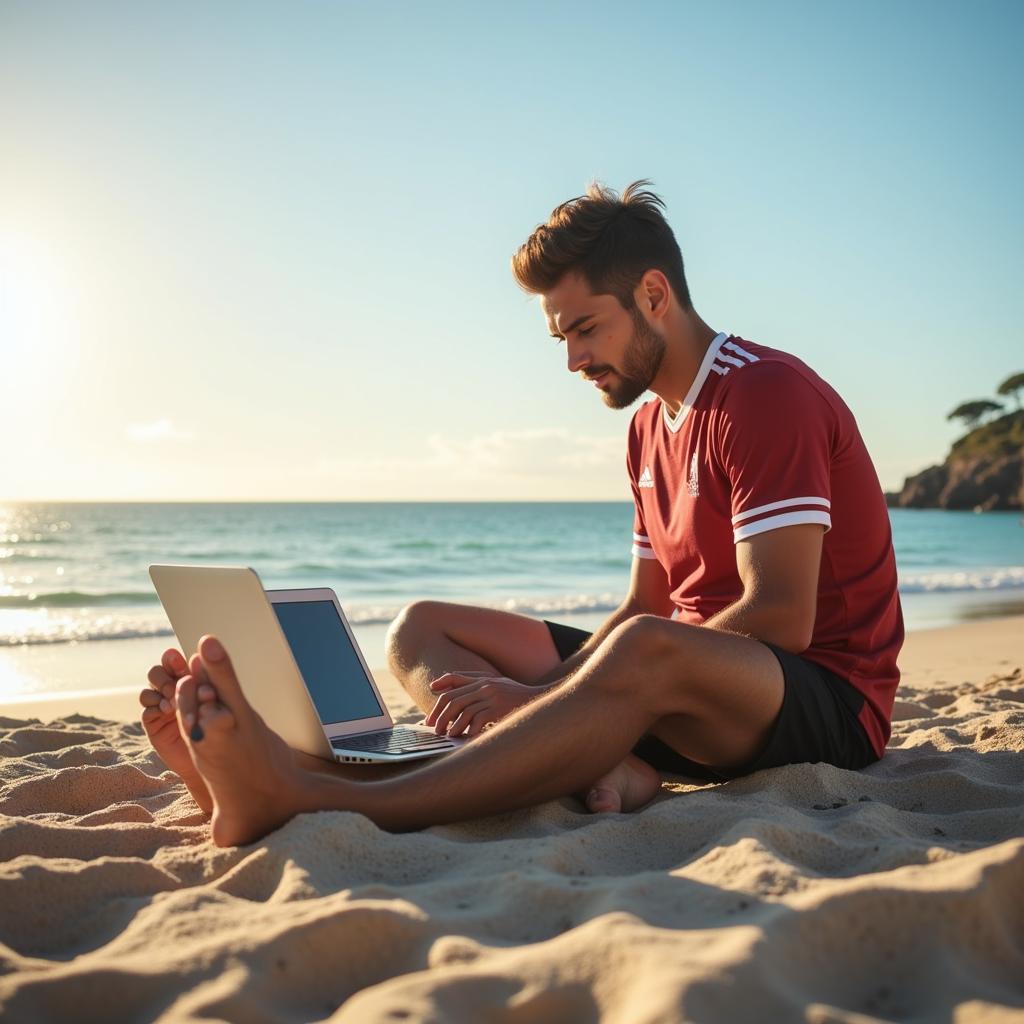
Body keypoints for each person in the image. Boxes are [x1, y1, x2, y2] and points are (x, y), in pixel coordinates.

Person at [140, 181, 903, 846]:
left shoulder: (762, 393)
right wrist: (557, 699)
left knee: (639, 650)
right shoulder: (646, 427)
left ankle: (321, 794)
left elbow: (780, 618)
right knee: (422, 627)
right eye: (560, 336)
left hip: (821, 702)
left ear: (653, 295)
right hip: (681, 686)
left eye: (584, 328)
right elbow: (647, 601)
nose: (572, 358)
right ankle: (588, 759)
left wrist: (545, 698)